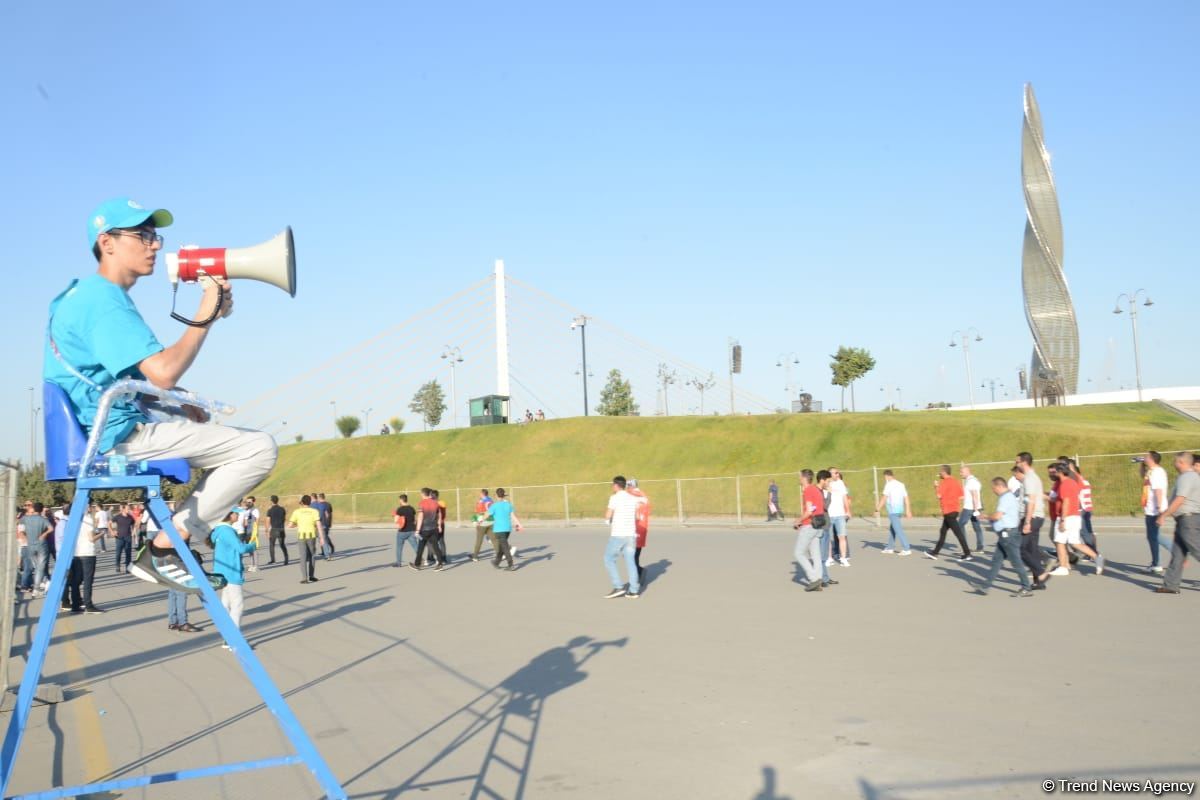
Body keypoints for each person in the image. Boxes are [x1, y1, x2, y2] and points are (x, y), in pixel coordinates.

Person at [45, 197, 277, 594]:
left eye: (155, 235)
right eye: (143, 235)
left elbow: (129, 380)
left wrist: (178, 402)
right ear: (108, 242)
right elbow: (164, 372)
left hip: (101, 432)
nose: (155, 245)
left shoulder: (82, 296)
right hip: (113, 440)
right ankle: (164, 547)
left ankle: (178, 538)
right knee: (258, 448)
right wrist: (207, 311)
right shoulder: (103, 300)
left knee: (227, 443)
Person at [973, 477, 1034, 597]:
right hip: (1006, 534)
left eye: (993, 488)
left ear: (999, 486)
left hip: (1008, 535)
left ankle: (1026, 587)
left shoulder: (1005, 498)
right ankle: (986, 586)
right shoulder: (1008, 496)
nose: (993, 491)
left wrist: (985, 516)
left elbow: (997, 516)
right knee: (996, 561)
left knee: (1016, 562)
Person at [1043, 460, 1104, 579]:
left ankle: (1063, 567)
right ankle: (1097, 557)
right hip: (1074, 516)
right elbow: (1061, 500)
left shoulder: (1065, 484)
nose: (1053, 473)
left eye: (1055, 471)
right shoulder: (1071, 482)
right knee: (1075, 542)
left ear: (1060, 471)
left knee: (1060, 542)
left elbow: (1066, 501)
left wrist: (1062, 520)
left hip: (1067, 516)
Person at [209, 508, 256, 648]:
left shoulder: (218, 530)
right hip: (231, 571)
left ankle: (227, 638)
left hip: (221, 570)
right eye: (236, 513)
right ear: (229, 515)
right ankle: (233, 639)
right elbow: (240, 548)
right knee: (237, 605)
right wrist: (252, 546)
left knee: (226, 605)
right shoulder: (227, 530)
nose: (238, 515)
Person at [1154, 452, 1200, 594]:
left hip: (1188, 520)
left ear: (1181, 462)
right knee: (1178, 554)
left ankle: (1171, 584)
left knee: (1197, 550)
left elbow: (1180, 499)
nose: (1174, 464)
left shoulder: (1187, 477)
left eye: (1175, 461)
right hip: (1184, 519)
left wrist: (1164, 516)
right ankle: (1170, 585)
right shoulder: (1189, 476)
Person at [603, 476, 646, 598]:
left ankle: (618, 587)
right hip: (631, 535)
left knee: (608, 559)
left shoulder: (614, 497)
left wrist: (607, 520)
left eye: (613, 485)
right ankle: (633, 591)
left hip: (618, 534)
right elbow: (640, 510)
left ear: (616, 485)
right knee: (630, 562)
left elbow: (608, 514)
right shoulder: (632, 498)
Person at [792, 470, 829, 592]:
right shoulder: (815, 490)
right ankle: (817, 580)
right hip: (818, 525)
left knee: (798, 553)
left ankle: (814, 579)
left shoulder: (808, 490)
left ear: (804, 478)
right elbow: (817, 508)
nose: (798, 478)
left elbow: (809, 511)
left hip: (809, 525)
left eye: (799, 476)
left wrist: (798, 521)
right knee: (815, 555)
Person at [1016, 452, 1048, 590]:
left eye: (1017, 462)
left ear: (1024, 462)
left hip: (1032, 517)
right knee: (1032, 548)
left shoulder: (1029, 478)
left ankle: (1041, 573)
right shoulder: (1033, 477)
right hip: (1037, 516)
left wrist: (1027, 521)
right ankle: (1039, 582)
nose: (1016, 464)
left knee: (1020, 548)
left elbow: (1031, 501)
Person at [925, 465, 971, 561]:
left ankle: (967, 553)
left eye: (940, 472)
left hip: (948, 511)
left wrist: (936, 487)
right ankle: (935, 553)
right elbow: (961, 496)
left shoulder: (944, 482)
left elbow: (939, 495)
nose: (939, 474)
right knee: (943, 531)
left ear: (944, 472)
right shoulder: (955, 481)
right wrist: (952, 498)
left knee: (958, 533)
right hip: (954, 510)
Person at [1142, 451, 1170, 574]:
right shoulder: (1151, 471)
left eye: (1146, 456)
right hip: (1150, 508)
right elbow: (1143, 476)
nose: (1144, 458)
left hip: (1155, 509)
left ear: (1152, 459)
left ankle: (1175, 552)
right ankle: (1156, 563)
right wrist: (1141, 465)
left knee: (1153, 536)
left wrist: (1160, 510)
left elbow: (1158, 490)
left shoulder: (1157, 472)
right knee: (1152, 536)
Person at [875, 470, 912, 555]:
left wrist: (877, 509)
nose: (885, 479)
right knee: (893, 528)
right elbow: (906, 497)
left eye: (885, 477)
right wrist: (908, 510)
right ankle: (890, 548)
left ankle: (906, 548)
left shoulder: (888, 485)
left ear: (887, 476)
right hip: (899, 510)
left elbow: (884, 498)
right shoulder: (901, 484)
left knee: (898, 529)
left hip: (892, 510)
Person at [288, 494, 323, 584]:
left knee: (303, 557)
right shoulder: (314, 511)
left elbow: (290, 525)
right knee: (312, 555)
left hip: (301, 536)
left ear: (302, 502)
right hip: (311, 535)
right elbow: (318, 524)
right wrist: (322, 538)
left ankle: (304, 578)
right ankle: (311, 576)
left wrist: (298, 524)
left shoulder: (297, 512)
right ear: (310, 502)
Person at [22, 502, 53, 598]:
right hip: (41, 545)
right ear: (41, 509)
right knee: (41, 567)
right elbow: (51, 528)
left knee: (36, 566)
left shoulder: (26, 519)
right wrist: (44, 534)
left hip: (30, 545)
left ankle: (44, 582)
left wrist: (26, 537)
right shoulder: (43, 519)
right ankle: (37, 588)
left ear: (34, 509)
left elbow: (19, 527)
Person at [487, 488, 522, 570]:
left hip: (499, 530)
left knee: (505, 547)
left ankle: (511, 564)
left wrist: (480, 520)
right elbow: (513, 516)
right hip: (507, 529)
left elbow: (487, 514)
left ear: (496, 495)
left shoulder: (494, 506)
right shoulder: (508, 504)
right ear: (503, 495)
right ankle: (496, 562)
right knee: (502, 546)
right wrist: (519, 524)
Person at [412, 488, 445, 571]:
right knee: (435, 546)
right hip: (434, 528)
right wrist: (439, 526)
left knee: (421, 547)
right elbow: (439, 515)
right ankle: (440, 563)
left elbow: (420, 517)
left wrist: (417, 530)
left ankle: (417, 564)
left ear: (423, 494)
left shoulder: (422, 503)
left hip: (424, 529)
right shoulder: (435, 502)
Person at [826, 468, 852, 567]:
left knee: (842, 536)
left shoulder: (840, 483)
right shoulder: (826, 484)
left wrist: (848, 510)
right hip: (829, 514)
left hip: (840, 514)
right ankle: (829, 558)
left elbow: (845, 497)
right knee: (828, 538)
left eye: (838, 472)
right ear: (830, 474)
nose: (838, 474)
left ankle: (843, 558)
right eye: (836, 473)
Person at [628, 478, 651, 583]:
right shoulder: (643, 496)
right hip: (642, 529)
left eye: (628, 486)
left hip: (635, 529)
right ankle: (638, 574)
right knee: (634, 554)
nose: (627, 488)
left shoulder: (632, 497)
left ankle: (639, 573)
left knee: (631, 555)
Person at [959, 465, 986, 553]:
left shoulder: (971, 482)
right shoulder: (974, 480)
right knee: (977, 527)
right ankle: (980, 548)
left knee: (960, 525)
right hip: (974, 507)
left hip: (969, 508)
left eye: (962, 472)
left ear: (967, 471)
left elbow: (975, 495)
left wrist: (975, 510)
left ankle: (965, 548)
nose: (960, 474)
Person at [471, 489, 496, 562]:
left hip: (482, 522)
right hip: (491, 521)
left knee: (479, 540)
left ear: (482, 494)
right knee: (493, 539)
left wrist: (474, 520)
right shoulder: (491, 500)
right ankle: (499, 553)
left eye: (480, 494)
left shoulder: (481, 501)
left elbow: (478, 511)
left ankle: (475, 556)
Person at [393, 494, 418, 566]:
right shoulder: (411, 508)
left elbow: (396, 520)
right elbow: (414, 520)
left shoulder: (400, 509)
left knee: (399, 547)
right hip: (412, 530)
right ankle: (420, 559)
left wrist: (395, 515)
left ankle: (398, 563)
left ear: (401, 500)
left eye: (399, 500)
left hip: (402, 531)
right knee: (415, 546)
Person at [238, 496, 261, 572]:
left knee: (254, 548)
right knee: (249, 548)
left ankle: (256, 566)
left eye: (250, 502)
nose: (248, 503)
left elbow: (257, 520)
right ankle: (251, 564)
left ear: (253, 502)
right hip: (246, 531)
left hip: (252, 531)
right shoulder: (246, 510)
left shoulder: (255, 510)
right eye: (247, 502)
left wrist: (256, 530)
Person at [111, 503, 135, 573]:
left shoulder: (130, 517)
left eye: (129, 508)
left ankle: (128, 568)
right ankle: (117, 566)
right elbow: (109, 523)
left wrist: (133, 532)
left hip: (128, 537)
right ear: (123, 509)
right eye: (127, 508)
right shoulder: (117, 517)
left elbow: (134, 525)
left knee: (128, 553)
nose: (129, 510)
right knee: (118, 553)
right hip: (119, 537)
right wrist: (112, 531)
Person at [265, 495, 288, 565]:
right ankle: (286, 559)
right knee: (282, 545)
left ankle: (273, 560)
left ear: (271, 501)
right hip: (281, 529)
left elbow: (268, 521)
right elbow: (284, 519)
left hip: (274, 529)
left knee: (272, 545)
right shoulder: (282, 509)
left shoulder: (270, 510)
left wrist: (267, 531)